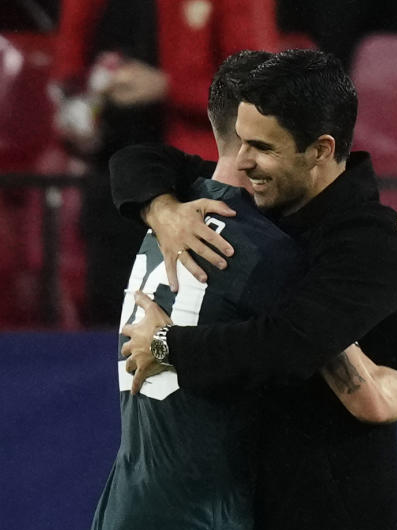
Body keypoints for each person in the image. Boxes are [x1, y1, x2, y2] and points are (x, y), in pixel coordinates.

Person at [84, 51, 397, 530]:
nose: (242, 164)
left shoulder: (365, 245)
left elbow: (299, 349)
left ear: (320, 150)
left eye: (263, 148)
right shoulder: (261, 208)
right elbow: (137, 159)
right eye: (241, 141)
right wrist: (164, 211)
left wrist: (169, 346)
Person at [51, 0, 278, 325]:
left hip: (196, 187)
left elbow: (260, 89)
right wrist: (75, 111)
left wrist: (167, 86)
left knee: (192, 323)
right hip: (111, 182)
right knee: (110, 324)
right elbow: (69, 68)